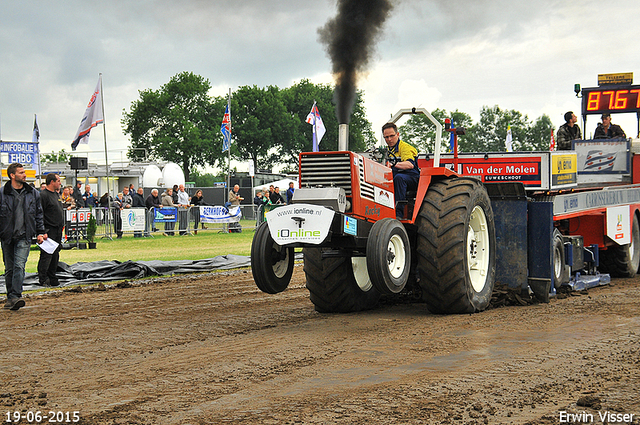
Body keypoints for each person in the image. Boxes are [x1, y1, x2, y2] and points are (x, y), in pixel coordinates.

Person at [0, 163, 47, 310]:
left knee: (19, 266)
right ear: (12, 175)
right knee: (9, 268)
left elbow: (39, 214)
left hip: (24, 236)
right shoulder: (2, 194)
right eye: (21, 173)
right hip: (7, 236)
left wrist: (40, 232)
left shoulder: (33, 193)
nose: (24, 175)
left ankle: (15, 296)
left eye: (24, 172)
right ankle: (10, 298)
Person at [383, 122, 420, 220]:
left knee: (399, 178)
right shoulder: (385, 151)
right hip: (394, 177)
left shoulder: (405, 148)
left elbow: (410, 165)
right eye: (386, 137)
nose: (389, 139)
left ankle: (398, 214)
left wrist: (393, 164)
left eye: (392, 136)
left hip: (412, 177)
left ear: (397, 134)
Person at [37, 173, 64, 287]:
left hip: (57, 229)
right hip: (49, 229)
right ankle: (43, 278)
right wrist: (43, 231)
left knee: (55, 254)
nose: (60, 183)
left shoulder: (56, 194)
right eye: (58, 180)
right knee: (47, 255)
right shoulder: (43, 195)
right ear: (51, 182)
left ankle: (52, 276)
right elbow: (39, 213)